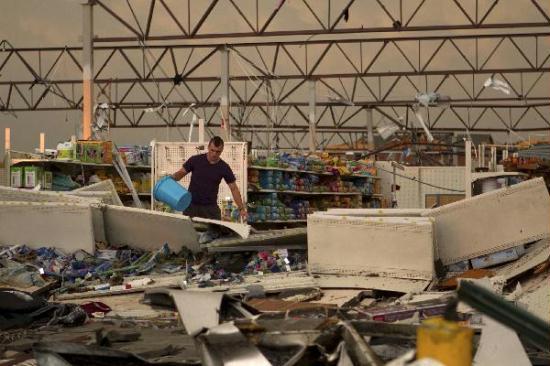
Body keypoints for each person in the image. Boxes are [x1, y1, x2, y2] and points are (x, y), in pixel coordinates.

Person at [171, 136, 247, 222]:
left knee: (216, 232)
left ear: (222, 151)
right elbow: (180, 174)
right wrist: (171, 178)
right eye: (212, 150)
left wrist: (241, 209)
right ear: (208, 147)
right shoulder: (195, 160)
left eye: (218, 152)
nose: (214, 154)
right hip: (191, 205)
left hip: (210, 208)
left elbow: (234, 188)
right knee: (188, 233)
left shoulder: (224, 167)